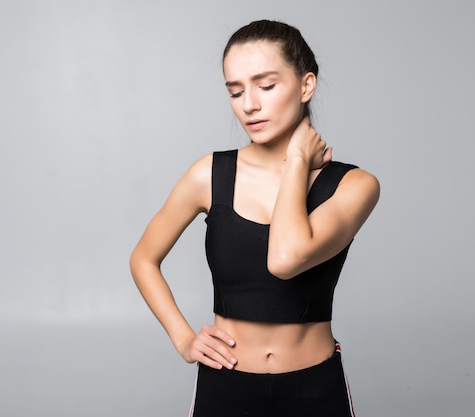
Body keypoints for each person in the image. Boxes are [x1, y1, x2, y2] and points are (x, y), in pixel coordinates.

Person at [129, 19, 379, 416]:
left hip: (315, 390)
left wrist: (296, 161)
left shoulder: (355, 185)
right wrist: (183, 338)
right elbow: (143, 258)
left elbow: (285, 258)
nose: (249, 105)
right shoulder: (208, 175)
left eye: (266, 85)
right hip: (226, 388)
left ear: (305, 85)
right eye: (235, 91)